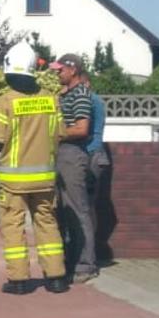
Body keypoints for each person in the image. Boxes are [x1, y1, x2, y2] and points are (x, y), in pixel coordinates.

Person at [0, 42, 66, 294]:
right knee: (47, 225)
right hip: (45, 179)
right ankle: (56, 278)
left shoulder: (6, 102)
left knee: (13, 227)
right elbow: (61, 134)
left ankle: (19, 280)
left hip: (14, 182)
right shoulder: (51, 99)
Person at [51, 54, 103, 285]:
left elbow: (82, 129)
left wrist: (54, 133)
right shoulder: (65, 94)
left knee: (78, 209)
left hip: (73, 154)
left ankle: (85, 265)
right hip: (61, 154)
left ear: (72, 70)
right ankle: (70, 260)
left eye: (60, 69)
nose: (57, 73)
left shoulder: (81, 94)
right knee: (62, 210)